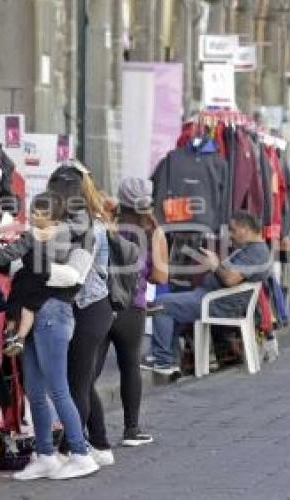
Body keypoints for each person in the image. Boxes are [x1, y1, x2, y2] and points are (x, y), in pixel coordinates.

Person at [0, 188, 99, 481]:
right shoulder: (38, 235)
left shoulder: (81, 240)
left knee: (57, 389)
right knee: (35, 392)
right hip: (35, 310)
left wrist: (33, 259)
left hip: (53, 312)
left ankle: (80, 452)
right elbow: (11, 265)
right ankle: (46, 454)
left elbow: (71, 277)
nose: (38, 217)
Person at [88, 177, 168, 449]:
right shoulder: (153, 232)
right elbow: (159, 276)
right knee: (130, 365)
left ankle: (83, 431)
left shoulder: (105, 225)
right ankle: (131, 429)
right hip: (132, 307)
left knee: (89, 371)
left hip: (100, 303)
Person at [47, 162, 116, 466]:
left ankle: (71, 451)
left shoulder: (91, 228)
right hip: (92, 309)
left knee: (77, 382)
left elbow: (76, 275)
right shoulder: (83, 224)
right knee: (85, 381)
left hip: (89, 309)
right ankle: (100, 445)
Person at [144, 211, 272, 374]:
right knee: (172, 300)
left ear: (245, 229)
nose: (230, 235)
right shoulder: (251, 249)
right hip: (213, 297)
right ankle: (171, 358)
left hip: (217, 303)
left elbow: (230, 280)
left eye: (233, 230)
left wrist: (215, 264)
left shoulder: (256, 253)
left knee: (161, 304)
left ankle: (163, 360)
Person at [0, 191, 76, 356]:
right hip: (52, 281)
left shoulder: (33, 234)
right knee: (28, 307)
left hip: (31, 276)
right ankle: (20, 338)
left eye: (40, 214)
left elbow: (14, 251)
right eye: (34, 213)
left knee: (16, 299)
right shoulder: (65, 232)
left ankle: (10, 332)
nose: (36, 217)